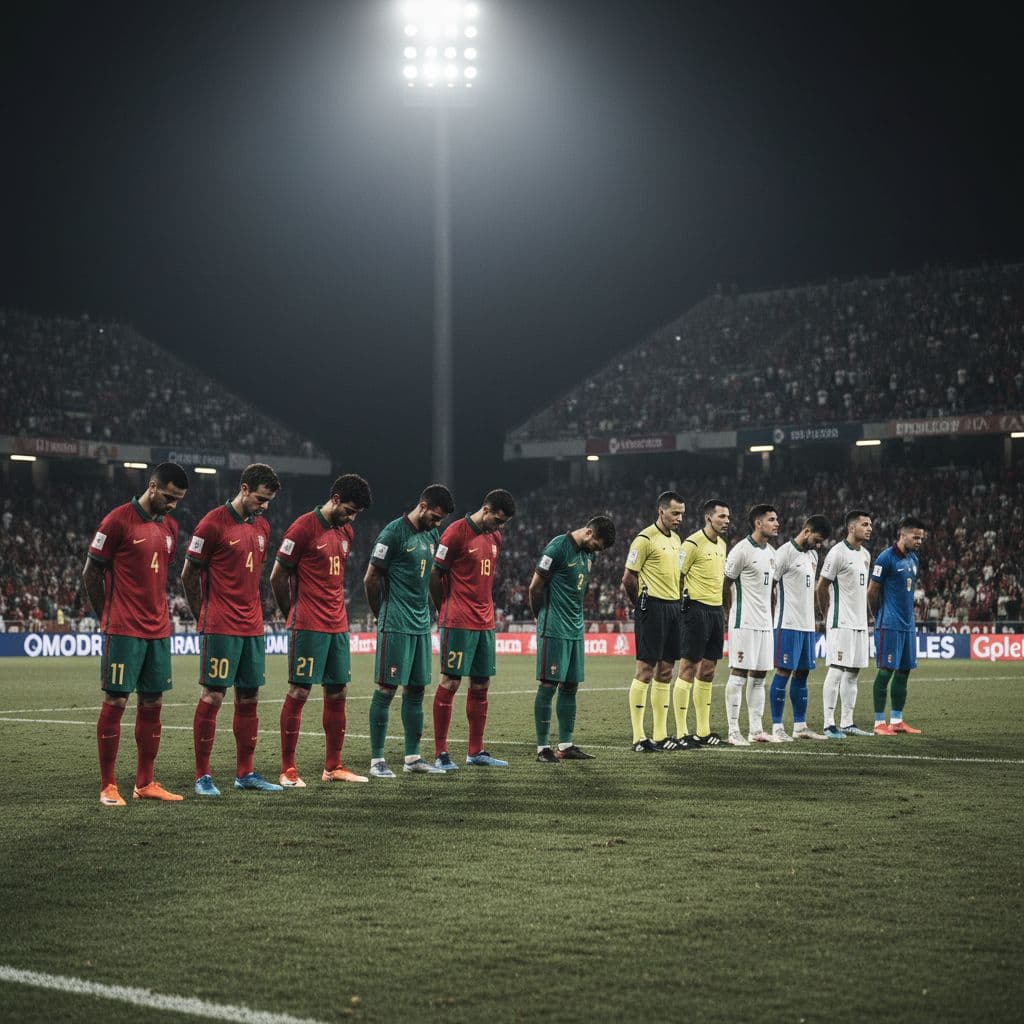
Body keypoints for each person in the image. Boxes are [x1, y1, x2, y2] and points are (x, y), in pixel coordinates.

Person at [84, 462, 189, 805]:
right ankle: (108, 785)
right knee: (116, 701)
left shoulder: (170, 527)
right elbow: (91, 573)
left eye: (178, 499)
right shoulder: (117, 521)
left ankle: (145, 783)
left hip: (158, 630)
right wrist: (107, 616)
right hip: (124, 629)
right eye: (169, 497)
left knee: (153, 703)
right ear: (152, 486)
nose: (173, 504)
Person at [182, 463, 283, 797]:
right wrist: (204, 617)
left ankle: (246, 773)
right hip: (221, 624)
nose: (263, 506)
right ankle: (202, 776)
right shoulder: (212, 524)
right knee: (213, 695)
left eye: (268, 501)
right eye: (259, 499)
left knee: (250, 696)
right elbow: (188, 574)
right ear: (244, 489)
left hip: (252, 625)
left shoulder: (263, 527)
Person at [270, 474, 373, 787]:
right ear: (336, 499)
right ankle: (288, 769)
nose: (351, 518)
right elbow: (277, 576)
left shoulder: (346, 532)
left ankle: (333, 767)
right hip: (308, 623)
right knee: (300, 691)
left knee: (338, 690)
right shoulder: (303, 527)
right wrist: (293, 614)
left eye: (356, 514)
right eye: (349, 510)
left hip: (337, 624)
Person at [364, 484, 455, 778]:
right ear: (422, 506)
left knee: (416, 689)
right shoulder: (393, 533)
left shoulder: (431, 535)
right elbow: (370, 579)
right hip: (396, 621)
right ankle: (377, 761)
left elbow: (433, 576)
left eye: (441, 520)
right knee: (386, 689)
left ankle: (413, 758)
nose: (437, 524)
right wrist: (382, 615)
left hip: (420, 623)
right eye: (435, 517)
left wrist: (437, 609)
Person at [429, 489, 517, 771]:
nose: (499, 527)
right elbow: (435, 574)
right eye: (498, 520)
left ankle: (475, 751)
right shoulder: (455, 532)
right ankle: (441, 753)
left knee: (481, 685)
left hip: (485, 622)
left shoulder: (495, 537)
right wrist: (444, 609)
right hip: (458, 620)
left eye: (503, 523)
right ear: (486, 510)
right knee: (450, 682)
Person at [529, 515, 616, 762]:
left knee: (570, 686)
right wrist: (540, 617)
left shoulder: (589, 554)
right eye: (597, 545)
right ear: (589, 533)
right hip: (554, 627)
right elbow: (534, 587)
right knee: (548, 685)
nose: (597, 551)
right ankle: (542, 748)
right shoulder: (557, 548)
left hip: (575, 628)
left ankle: (565, 746)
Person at [621, 491, 689, 752]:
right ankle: (639, 737)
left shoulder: (677, 539)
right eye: (675, 513)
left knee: (666, 671)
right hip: (652, 607)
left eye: (682, 513)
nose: (679, 518)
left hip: (673, 607)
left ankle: (660, 735)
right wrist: (639, 604)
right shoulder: (644, 539)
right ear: (661, 511)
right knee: (646, 670)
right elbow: (628, 578)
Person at [769, 514, 832, 741]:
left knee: (803, 673)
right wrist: (770, 617)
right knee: (783, 672)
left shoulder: (812, 555)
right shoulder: (784, 553)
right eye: (817, 540)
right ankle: (777, 727)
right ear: (806, 531)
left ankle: (800, 726)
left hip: (807, 626)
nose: (818, 545)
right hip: (787, 624)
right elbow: (770, 588)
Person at [814, 509, 874, 739]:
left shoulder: (865, 554)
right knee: (837, 670)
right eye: (865, 524)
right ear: (851, 527)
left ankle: (847, 722)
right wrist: (826, 613)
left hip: (859, 624)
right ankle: (828, 724)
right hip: (841, 622)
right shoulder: (837, 552)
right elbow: (821, 587)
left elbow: (862, 592)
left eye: (870, 524)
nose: (869, 528)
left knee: (853, 672)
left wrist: (868, 615)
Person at [722, 503, 779, 745]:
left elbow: (772, 590)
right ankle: (733, 731)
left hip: (765, 624)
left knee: (759, 676)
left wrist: (771, 618)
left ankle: (756, 730)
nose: (776, 523)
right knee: (739, 674)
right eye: (771, 519)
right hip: (743, 622)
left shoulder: (773, 553)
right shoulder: (741, 551)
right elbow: (725, 584)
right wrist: (730, 613)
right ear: (758, 523)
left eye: (776, 519)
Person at [676, 499, 731, 746]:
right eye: (722, 517)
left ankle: (703, 731)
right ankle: (681, 732)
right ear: (709, 518)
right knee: (688, 667)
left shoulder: (722, 545)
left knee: (708, 669)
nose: (727, 521)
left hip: (715, 611)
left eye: (728, 517)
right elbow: (677, 575)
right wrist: (682, 605)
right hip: (695, 609)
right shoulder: (691, 544)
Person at [867, 516, 926, 735]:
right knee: (886, 672)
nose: (919, 541)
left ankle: (897, 721)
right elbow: (872, 592)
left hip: (908, 625)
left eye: (921, 538)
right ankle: (878, 723)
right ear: (903, 534)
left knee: (904, 672)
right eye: (915, 537)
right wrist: (878, 617)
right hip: (889, 624)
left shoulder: (913, 559)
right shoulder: (885, 558)